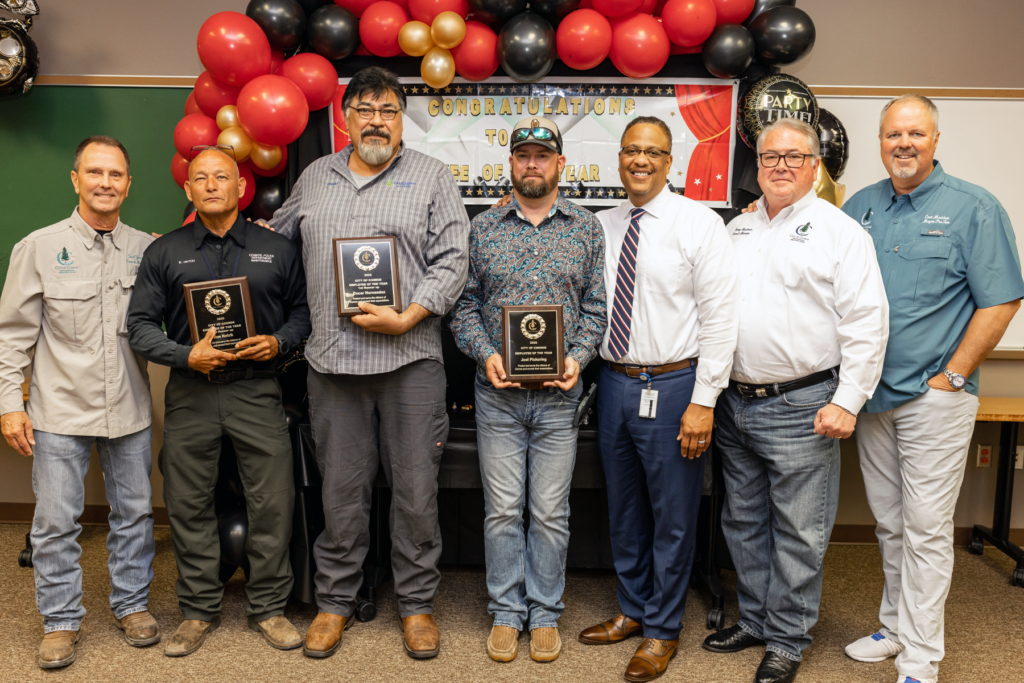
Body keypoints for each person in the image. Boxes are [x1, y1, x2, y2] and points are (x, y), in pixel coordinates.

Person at [267, 66, 470, 660]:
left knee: (414, 494)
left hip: (410, 362)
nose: (376, 120)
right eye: (364, 109)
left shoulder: (432, 176)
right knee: (341, 492)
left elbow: (454, 260)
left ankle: (417, 605)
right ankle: (334, 601)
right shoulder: (315, 176)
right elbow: (280, 247)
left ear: (400, 117)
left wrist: (410, 314)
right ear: (345, 118)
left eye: (388, 109)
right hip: (331, 366)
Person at [839, 95, 1023, 683]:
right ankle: (894, 627)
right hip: (872, 397)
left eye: (915, 133)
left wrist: (954, 375)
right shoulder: (861, 206)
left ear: (936, 139)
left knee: (925, 528)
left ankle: (922, 655)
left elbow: (1002, 299)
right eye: (893, 134)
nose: (903, 144)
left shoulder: (974, 207)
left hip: (934, 396)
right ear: (881, 140)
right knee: (890, 522)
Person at [703, 119, 889, 683]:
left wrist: (849, 400)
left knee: (800, 532)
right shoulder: (736, 229)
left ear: (814, 165)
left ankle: (787, 638)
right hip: (736, 403)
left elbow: (867, 322)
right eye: (769, 157)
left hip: (803, 404)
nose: (779, 165)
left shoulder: (840, 232)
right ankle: (757, 621)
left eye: (793, 156)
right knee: (744, 522)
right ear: (755, 165)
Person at [126, 147, 311, 657]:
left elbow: (304, 315)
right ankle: (198, 609)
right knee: (187, 502)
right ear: (187, 190)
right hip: (191, 391)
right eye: (200, 178)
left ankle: (269, 607)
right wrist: (184, 355)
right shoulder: (164, 252)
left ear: (240, 188)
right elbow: (139, 326)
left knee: (273, 502)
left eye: (221, 177)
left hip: (257, 389)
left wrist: (279, 343)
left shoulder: (276, 250)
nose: (211, 185)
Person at [575, 116, 739, 683]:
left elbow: (722, 319)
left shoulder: (699, 224)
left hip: (674, 387)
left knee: (672, 515)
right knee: (623, 510)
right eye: (631, 151)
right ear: (618, 159)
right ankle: (632, 610)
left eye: (654, 152)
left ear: (671, 162)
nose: (641, 161)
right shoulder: (598, 225)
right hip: (614, 381)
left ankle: (663, 630)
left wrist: (704, 400)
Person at [448, 117, 606, 663]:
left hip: (561, 395)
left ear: (560, 164)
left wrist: (578, 358)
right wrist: (487, 355)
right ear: (510, 164)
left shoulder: (586, 228)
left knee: (549, 511)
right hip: (497, 395)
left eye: (543, 155)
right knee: (502, 509)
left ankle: (543, 612)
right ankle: (505, 612)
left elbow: (595, 309)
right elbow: (464, 304)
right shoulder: (483, 228)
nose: (532, 164)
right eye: (523, 156)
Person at [0, 136, 158, 669]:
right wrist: (8, 404)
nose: (105, 183)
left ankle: (132, 604)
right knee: (55, 522)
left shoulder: (146, 249)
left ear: (128, 184)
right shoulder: (38, 248)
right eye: (95, 172)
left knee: (135, 514)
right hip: (59, 411)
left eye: (115, 174)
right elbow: (11, 337)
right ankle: (61, 620)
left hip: (129, 408)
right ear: (75, 179)